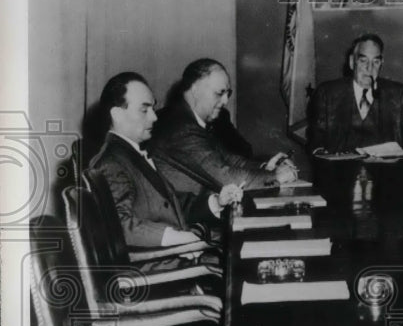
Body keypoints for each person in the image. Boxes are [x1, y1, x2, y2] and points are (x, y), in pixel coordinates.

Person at [89, 72, 242, 249]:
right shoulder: (111, 163)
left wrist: (216, 201)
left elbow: (171, 205)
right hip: (161, 265)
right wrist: (176, 238)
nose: (154, 117)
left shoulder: (130, 154)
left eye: (153, 109)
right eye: (144, 110)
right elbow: (117, 225)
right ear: (117, 114)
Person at [150, 58, 298, 195]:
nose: (226, 100)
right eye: (220, 93)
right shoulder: (180, 127)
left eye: (228, 93)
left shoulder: (190, 120)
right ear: (195, 90)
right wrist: (276, 176)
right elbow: (225, 178)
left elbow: (229, 160)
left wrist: (266, 167)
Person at [309, 34, 403, 153]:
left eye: (375, 62)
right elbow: (316, 142)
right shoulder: (327, 94)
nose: (369, 68)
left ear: (381, 63)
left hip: (386, 170)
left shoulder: (401, 96)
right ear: (351, 62)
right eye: (363, 61)